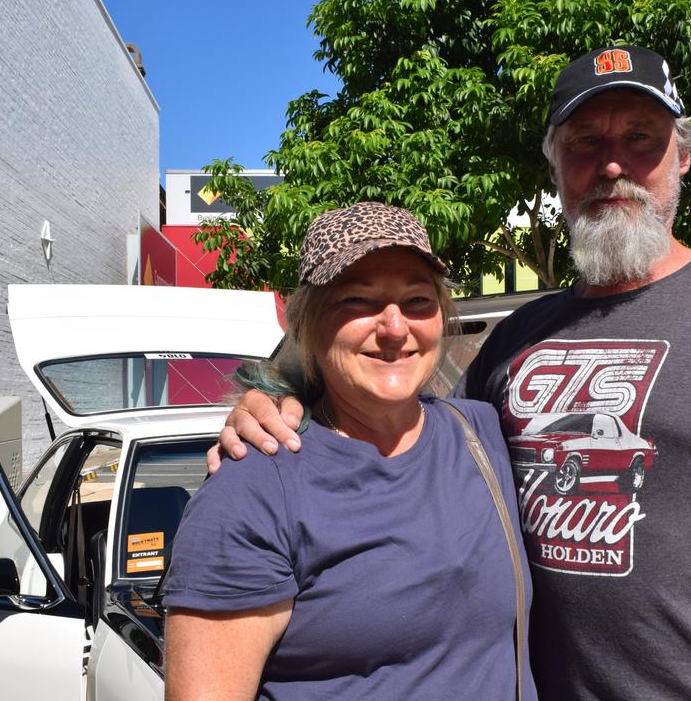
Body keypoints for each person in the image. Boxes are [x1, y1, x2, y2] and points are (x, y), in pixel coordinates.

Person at [212, 46, 691, 701]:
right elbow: (394, 412)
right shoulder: (516, 339)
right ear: (555, 168)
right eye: (584, 142)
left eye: (642, 140)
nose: (612, 164)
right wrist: (273, 396)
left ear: (681, 159)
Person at [164, 202, 536, 701]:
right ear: (309, 324)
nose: (395, 327)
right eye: (358, 300)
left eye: (418, 299)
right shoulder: (254, 487)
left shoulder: (481, 432)